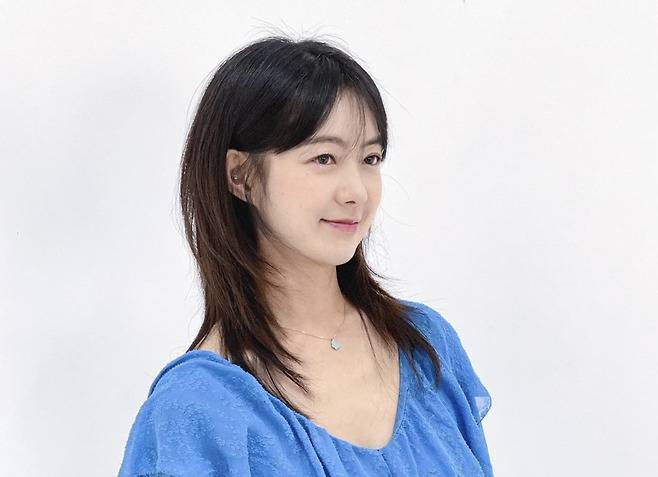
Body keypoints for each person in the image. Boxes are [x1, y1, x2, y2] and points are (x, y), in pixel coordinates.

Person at [117, 35, 493, 476]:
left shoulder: (425, 345)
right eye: (324, 158)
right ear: (241, 175)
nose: (356, 192)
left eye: (370, 158)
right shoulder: (198, 406)